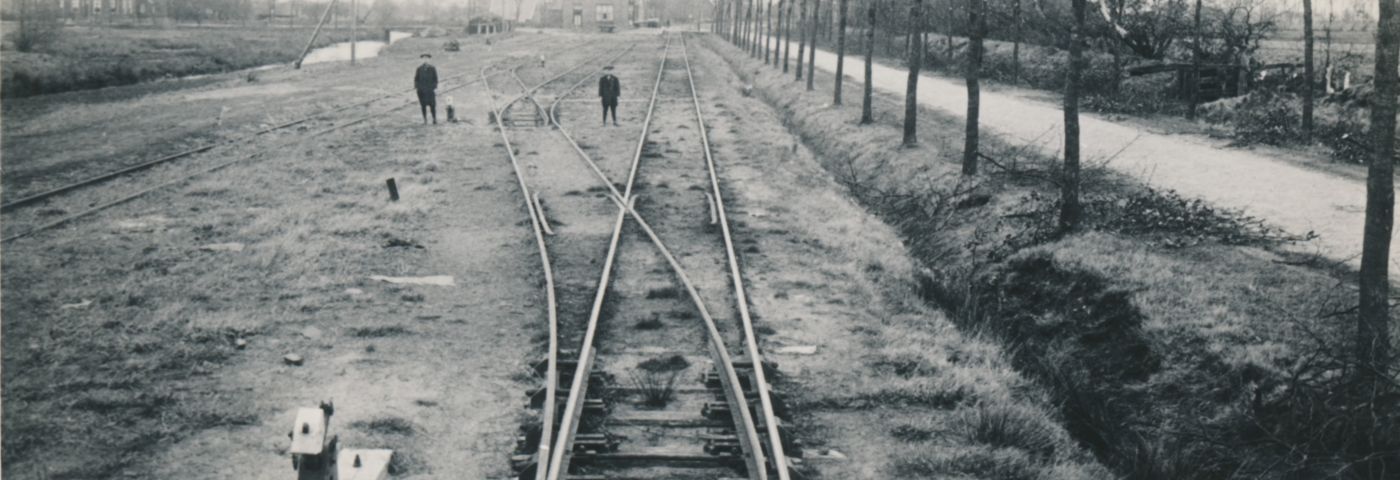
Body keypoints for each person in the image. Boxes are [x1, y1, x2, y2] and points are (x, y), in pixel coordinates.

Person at [414, 54, 439, 125]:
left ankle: (434, 119)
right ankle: (425, 120)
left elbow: (435, 79)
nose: (425, 60)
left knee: (433, 105)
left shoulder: (432, 68)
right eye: (424, 59)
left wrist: (434, 88)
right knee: (423, 106)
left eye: (427, 59)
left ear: (429, 60)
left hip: (430, 91)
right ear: (422, 60)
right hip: (422, 91)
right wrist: (417, 88)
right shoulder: (419, 69)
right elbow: (416, 79)